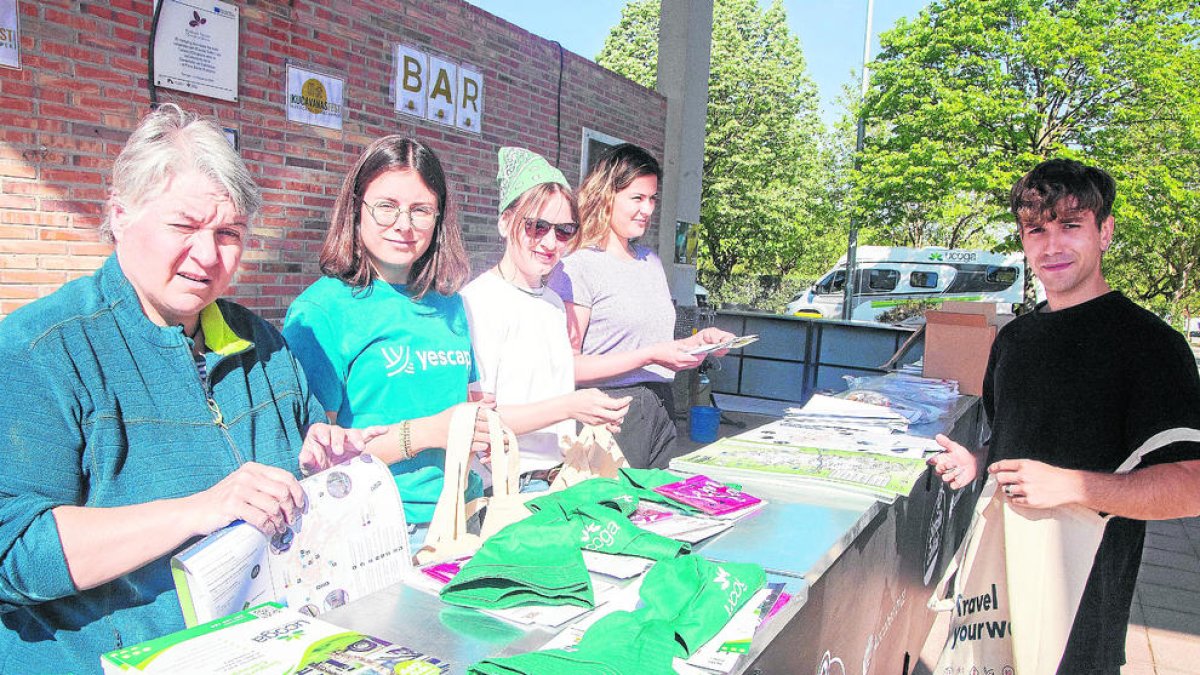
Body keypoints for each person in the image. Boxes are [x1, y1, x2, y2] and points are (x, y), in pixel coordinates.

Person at [0, 104, 375, 673]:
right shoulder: (42, 350)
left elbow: (293, 465)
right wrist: (199, 510)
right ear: (120, 214)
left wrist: (318, 457)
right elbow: (16, 553)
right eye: (184, 226)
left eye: (229, 233)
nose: (208, 256)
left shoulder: (264, 345)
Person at [928, 158, 1200, 673]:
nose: (1051, 245)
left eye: (1071, 225)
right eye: (1037, 229)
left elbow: (1190, 485)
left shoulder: (1149, 345)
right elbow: (1016, 441)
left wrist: (1074, 486)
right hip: (998, 591)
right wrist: (979, 461)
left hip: (1081, 614)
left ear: (1105, 232)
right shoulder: (1014, 339)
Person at [283, 136, 487, 544]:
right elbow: (311, 462)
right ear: (356, 208)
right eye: (386, 207)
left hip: (465, 514)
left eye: (421, 210)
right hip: (381, 527)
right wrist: (426, 433)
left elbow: (465, 405)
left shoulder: (450, 305)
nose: (404, 225)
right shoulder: (321, 313)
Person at [546, 143, 734, 469]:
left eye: (652, 198)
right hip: (608, 416)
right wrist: (648, 356)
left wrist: (698, 346)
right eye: (637, 198)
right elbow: (568, 367)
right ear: (606, 196)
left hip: (661, 409)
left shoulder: (651, 262)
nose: (647, 209)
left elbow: (657, 349)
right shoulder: (578, 267)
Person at [461, 147, 631, 491]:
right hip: (505, 489)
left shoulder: (553, 302)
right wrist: (571, 406)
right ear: (505, 222)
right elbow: (481, 421)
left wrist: (590, 410)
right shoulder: (477, 302)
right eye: (537, 226)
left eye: (565, 230)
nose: (550, 242)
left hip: (558, 478)